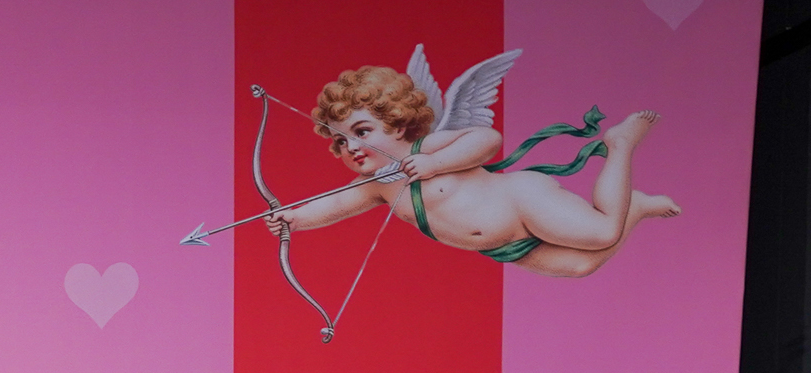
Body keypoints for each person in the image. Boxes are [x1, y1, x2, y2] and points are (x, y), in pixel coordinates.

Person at [265, 52, 674, 280]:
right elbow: (334, 205)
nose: (351, 146)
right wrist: (293, 219)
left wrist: (434, 162)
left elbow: (487, 140)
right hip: (503, 245)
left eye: (361, 131)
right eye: (340, 141)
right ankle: (635, 205)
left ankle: (619, 144)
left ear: (398, 124)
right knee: (581, 265)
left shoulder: (427, 146)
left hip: (520, 201)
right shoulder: (374, 186)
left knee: (602, 233)